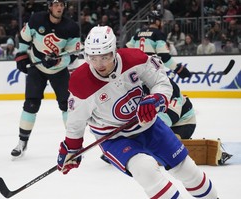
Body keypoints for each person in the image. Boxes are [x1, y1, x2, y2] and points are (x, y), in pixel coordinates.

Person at [56, 25, 218, 199]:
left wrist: (156, 98)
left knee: (188, 171)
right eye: (93, 58)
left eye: (105, 57)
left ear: (113, 51)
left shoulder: (135, 59)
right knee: (146, 169)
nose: (99, 64)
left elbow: (161, 81)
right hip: (114, 137)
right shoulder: (81, 82)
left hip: (149, 126)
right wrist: (72, 147)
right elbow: (76, 121)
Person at [11, 0, 81, 159]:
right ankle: (22, 142)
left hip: (59, 71)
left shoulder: (71, 27)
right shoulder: (36, 19)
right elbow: (24, 38)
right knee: (30, 104)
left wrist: (57, 61)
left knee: (66, 106)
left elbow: (72, 54)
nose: (59, 7)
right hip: (37, 68)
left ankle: (73, 145)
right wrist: (21, 56)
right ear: (49, 6)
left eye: (62, 5)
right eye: (56, 4)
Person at [125, 10, 191, 79]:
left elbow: (125, 49)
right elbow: (164, 56)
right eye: (161, 20)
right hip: (150, 72)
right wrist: (179, 69)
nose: (162, 23)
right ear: (156, 22)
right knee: (174, 89)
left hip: (136, 72)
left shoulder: (138, 33)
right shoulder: (158, 34)